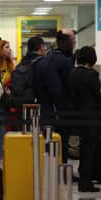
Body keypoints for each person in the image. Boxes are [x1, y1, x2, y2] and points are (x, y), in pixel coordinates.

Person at [33, 30, 75, 160]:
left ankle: (49, 170)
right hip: (60, 109)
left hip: (43, 108)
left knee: (48, 143)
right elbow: (67, 86)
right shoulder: (65, 61)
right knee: (62, 141)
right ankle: (62, 170)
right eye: (73, 41)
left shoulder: (43, 60)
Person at [69, 46, 101, 192]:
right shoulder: (92, 75)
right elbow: (99, 95)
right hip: (92, 116)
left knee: (82, 148)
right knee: (89, 150)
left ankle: (84, 180)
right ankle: (86, 181)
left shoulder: (72, 73)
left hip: (77, 115)